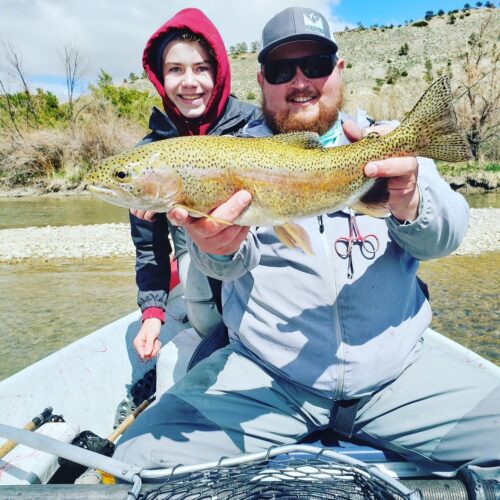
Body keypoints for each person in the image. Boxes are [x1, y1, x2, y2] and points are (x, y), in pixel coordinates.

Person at [114, 7, 499, 478]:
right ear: (261, 80)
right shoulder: (235, 154)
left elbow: (447, 238)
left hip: (400, 376)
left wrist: (412, 198)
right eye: (281, 71)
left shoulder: (386, 141)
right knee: (136, 464)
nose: (300, 82)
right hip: (269, 381)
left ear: (339, 71)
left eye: (315, 66)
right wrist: (217, 249)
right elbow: (228, 264)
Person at [129, 8, 261, 360]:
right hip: (197, 267)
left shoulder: (257, 125)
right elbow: (149, 248)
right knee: (195, 272)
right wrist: (153, 313)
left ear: (218, 74)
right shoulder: (147, 160)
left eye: (201, 68)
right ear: (160, 77)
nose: (189, 81)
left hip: (264, 257)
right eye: (175, 69)